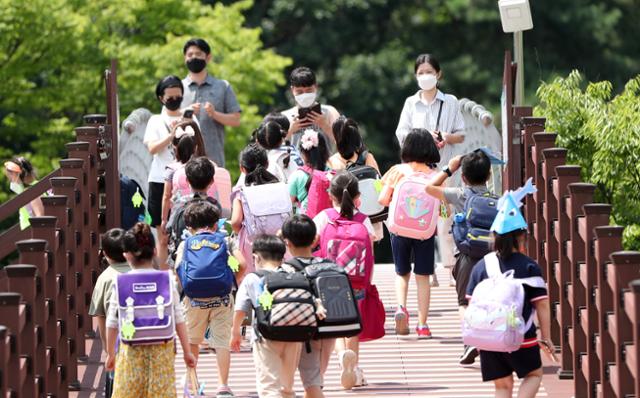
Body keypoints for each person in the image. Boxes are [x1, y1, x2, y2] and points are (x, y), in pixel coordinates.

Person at [466, 193, 554, 398]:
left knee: (502, 386)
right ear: (521, 237)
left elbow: (468, 304)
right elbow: (541, 305)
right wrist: (546, 337)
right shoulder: (529, 266)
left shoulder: (482, 266)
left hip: (490, 338)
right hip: (522, 337)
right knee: (533, 375)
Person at [395, 54, 466, 287]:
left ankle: (450, 268)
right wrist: (421, 141)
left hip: (444, 170)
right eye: (421, 73)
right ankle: (427, 270)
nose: (425, 76)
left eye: (429, 72)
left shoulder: (451, 102)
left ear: (439, 74)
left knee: (445, 221)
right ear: (416, 76)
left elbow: (461, 133)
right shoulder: (410, 102)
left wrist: (445, 137)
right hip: (417, 171)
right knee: (420, 219)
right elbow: (401, 133)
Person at [105, 223, 196, 398]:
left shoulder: (120, 282)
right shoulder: (167, 280)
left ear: (127, 255)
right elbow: (178, 318)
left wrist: (110, 353)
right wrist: (187, 351)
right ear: (154, 251)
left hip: (130, 348)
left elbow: (112, 322)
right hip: (162, 349)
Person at [425, 149, 493, 365]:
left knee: (464, 302)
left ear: (463, 177)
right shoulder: (497, 199)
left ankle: (470, 342)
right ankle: (493, 342)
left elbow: (429, 188)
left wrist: (449, 168)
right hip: (493, 258)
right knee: (489, 302)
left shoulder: (460, 194)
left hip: (466, 256)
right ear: (489, 176)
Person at [314, 171, 376, 389]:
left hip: (330, 281)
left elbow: (312, 242)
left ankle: (342, 358)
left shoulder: (324, 217)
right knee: (353, 328)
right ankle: (355, 370)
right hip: (357, 282)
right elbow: (370, 251)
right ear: (358, 196)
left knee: (336, 326)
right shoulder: (364, 220)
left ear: (331, 195)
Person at [378, 128, 440, 338]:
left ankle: (401, 308)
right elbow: (444, 209)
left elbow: (383, 200)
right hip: (424, 232)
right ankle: (422, 325)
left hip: (399, 230)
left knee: (401, 272)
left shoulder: (397, 171)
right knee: (423, 277)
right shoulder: (436, 176)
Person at [175, 200, 238, 397]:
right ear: (215, 223)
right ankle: (223, 386)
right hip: (222, 298)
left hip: (193, 299)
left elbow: (178, 268)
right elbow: (241, 264)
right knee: (221, 342)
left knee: (192, 341)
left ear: (189, 227)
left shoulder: (185, 244)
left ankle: (191, 384)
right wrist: (232, 280)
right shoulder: (225, 241)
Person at [230, 235, 302, 398]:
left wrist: (236, 333)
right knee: (287, 388)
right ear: (283, 258)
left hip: (265, 335)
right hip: (294, 333)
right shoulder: (293, 273)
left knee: (269, 386)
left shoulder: (252, 278)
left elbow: (240, 309)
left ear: (255, 257)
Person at [280, 215, 332, 398]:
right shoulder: (328, 265)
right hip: (328, 329)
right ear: (315, 239)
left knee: (310, 383)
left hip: (301, 330)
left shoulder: (286, 270)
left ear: (287, 243)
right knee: (314, 380)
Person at [144, 75, 195, 230]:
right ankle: (162, 255)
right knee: (162, 229)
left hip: (186, 180)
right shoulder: (155, 120)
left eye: (178, 96)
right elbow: (152, 149)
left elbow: (197, 147)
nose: (174, 99)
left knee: (187, 226)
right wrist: (172, 135)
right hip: (160, 179)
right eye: (170, 97)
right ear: (161, 98)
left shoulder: (189, 119)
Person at [181, 38, 241, 167]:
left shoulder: (222, 86)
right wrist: (185, 113)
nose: (194, 58)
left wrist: (214, 114)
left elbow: (236, 120)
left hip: (214, 160)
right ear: (184, 58)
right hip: (183, 161)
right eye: (190, 55)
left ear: (208, 57)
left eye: (198, 54)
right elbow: (167, 121)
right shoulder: (178, 88)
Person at [88, 228, 131, 397]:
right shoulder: (141, 272)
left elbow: (101, 317)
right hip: (146, 341)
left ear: (104, 253)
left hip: (118, 346)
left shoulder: (104, 278)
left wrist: (108, 350)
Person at [230, 145, 281, 273]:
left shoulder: (241, 191)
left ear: (242, 168)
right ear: (267, 164)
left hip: (252, 244)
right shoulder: (279, 187)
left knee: (253, 281)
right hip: (278, 240)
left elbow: (236, 222)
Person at [281, 67, 340, 149]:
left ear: (316, 87)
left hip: (325, 161)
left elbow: (344, 144)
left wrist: (325, 125)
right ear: (292, 90)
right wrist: (290, 131)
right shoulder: (284, 116)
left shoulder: (330, 112)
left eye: (309, 90)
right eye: (299, 91)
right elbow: (274, 149)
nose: (304, 95)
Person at [288, 128, 331, 215]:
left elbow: (289, 204)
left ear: (303, 153)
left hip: (305, 225)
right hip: (328, 224)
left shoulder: (296, 176)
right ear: (325, 151)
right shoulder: (332, 174)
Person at [4, 157, 44, 229]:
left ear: (20, 173)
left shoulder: (32, 190)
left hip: (32, 234)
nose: (11, 181)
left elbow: (40, 217)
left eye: (12, 176)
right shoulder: (33, 188)